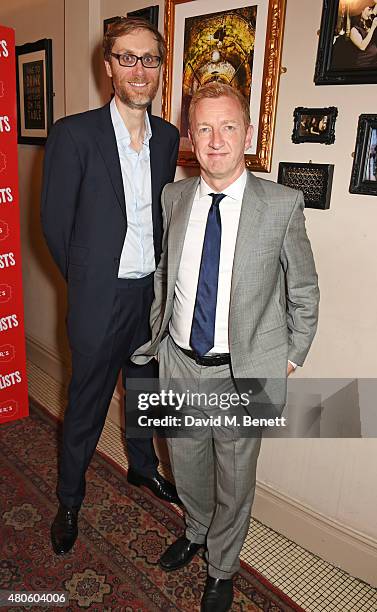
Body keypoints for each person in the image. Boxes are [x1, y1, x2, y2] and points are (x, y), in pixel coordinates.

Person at [132, 82, 319, 611]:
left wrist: (287, 358)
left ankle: (222, 566)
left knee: (235, 480)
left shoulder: (281, 204)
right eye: (205, 129)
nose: (216, 141)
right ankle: (194, 530)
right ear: (191, 136)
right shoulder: (174, 197)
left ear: (249, 133)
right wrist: (161, 332)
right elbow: (167, 272)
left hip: (244, 374)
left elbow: (304, 290)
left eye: (228, 127)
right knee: (186, 465)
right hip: (179, 362)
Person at [41, 17, 180, 556]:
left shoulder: (168, 137)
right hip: (101, 299)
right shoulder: (75, 134)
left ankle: (141, 468)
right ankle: (70, 499)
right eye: (128, 58)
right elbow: (55, 227)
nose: (139, 70)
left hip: (151, 297)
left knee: (146, 394)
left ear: (160, 68)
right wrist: (90, 283)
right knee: (86, 407)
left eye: (149, 59)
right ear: (109, 67)